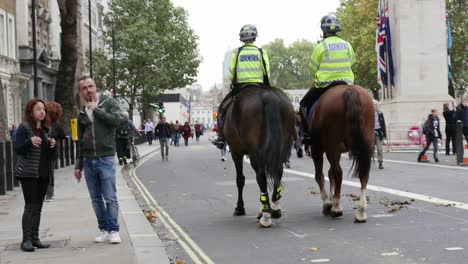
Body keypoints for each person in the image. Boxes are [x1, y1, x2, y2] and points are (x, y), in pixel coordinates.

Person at [74, 76, 122, 244]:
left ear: (95, 87)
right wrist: (78, 165)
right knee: (96, 199)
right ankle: (104, 229)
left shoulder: (109, 103)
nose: (88, 90)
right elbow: (80, 140)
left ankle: (114, 230)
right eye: (84, 88)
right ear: (81, 92)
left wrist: (96, 110)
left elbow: (116, 121)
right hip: (88, 160)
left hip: (106, 158)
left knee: (110, 196)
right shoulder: (81, 112)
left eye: (91, 86)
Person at [299, 14, 356, 144]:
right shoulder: (347, 45)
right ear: (337, 29)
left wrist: (317, 76)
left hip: (325, 84)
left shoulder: (321, 46)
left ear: (324, 31)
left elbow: (312, 68)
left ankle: (307, 135)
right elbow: (352, 61)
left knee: (304, 104)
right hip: (347, 82)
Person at [212, 24, 270, 149]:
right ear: (255, 37)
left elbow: (232, 72)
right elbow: (267, 72)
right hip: (259, 86)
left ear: (242, 38)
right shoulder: (261, 51)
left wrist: (233, 83)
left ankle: (221, 138)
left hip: (241, 87)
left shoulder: (236, 52)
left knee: (222, 109)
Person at [14, 98, 56, 252]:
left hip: (43, 174)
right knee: (30, 207)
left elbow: (50, 155)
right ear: (31, 111)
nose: (42, 111)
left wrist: (52, 145)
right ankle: (26, 240)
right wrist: (29, 142)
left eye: (43, 109)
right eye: (38, 109)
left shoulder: (46, 129)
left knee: (38, 207)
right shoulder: (24, 128)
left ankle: (35, 238)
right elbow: (18, 148)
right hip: (29, 174)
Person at [45, 102, 65, 201]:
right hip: (51, 152)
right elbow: (63, 136)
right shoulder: (57, 124)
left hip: (47, 152)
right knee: (49, 172)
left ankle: (47, 193)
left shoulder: (45, 123)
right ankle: (49, 194)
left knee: (46, 172)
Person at [373, 100, 387, 169]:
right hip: (371, 132)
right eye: (373, 104)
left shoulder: (380, 113)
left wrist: (384, 135)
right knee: (370, 148)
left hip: (379, 132)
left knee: (379, 148)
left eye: (375, 104)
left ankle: (380, 162)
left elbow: (383, 124)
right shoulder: (368, 113)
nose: (374, 106)